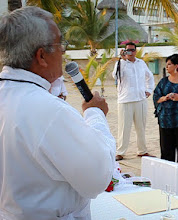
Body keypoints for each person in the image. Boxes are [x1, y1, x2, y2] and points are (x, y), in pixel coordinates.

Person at [0, 7, 116, 219]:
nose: (63, 51)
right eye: (59, 44)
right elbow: (98, 177)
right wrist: (95, 114)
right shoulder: (48, 110)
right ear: (42, 56)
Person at [112, 42, 155, 161]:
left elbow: (150, 76)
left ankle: (142, 150)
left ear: (135, 51)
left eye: (132, 50)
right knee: (124, 127)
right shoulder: (121, 63)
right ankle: (120, 152)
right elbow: (114, 75)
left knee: (141, 126)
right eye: (127, 50)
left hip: (140, 99)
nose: (130, 52)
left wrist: (149, 89)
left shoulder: (141, 63)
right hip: (125, 99)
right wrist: (122, 59)